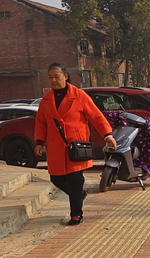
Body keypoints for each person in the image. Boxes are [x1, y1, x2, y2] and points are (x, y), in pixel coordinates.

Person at [34, 63, 116, 226]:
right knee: (56, 179)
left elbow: (96, 116)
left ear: (65, 76)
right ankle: (79, 195)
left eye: (56, 76)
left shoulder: (79, 96)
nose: (53, 80)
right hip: (56, 146)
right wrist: (39, 142)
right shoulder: (46, 100)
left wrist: (107, 135)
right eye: (50, 77)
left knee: (75, 180)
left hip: (76, 145)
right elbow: (41, 122)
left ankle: (76, 214)